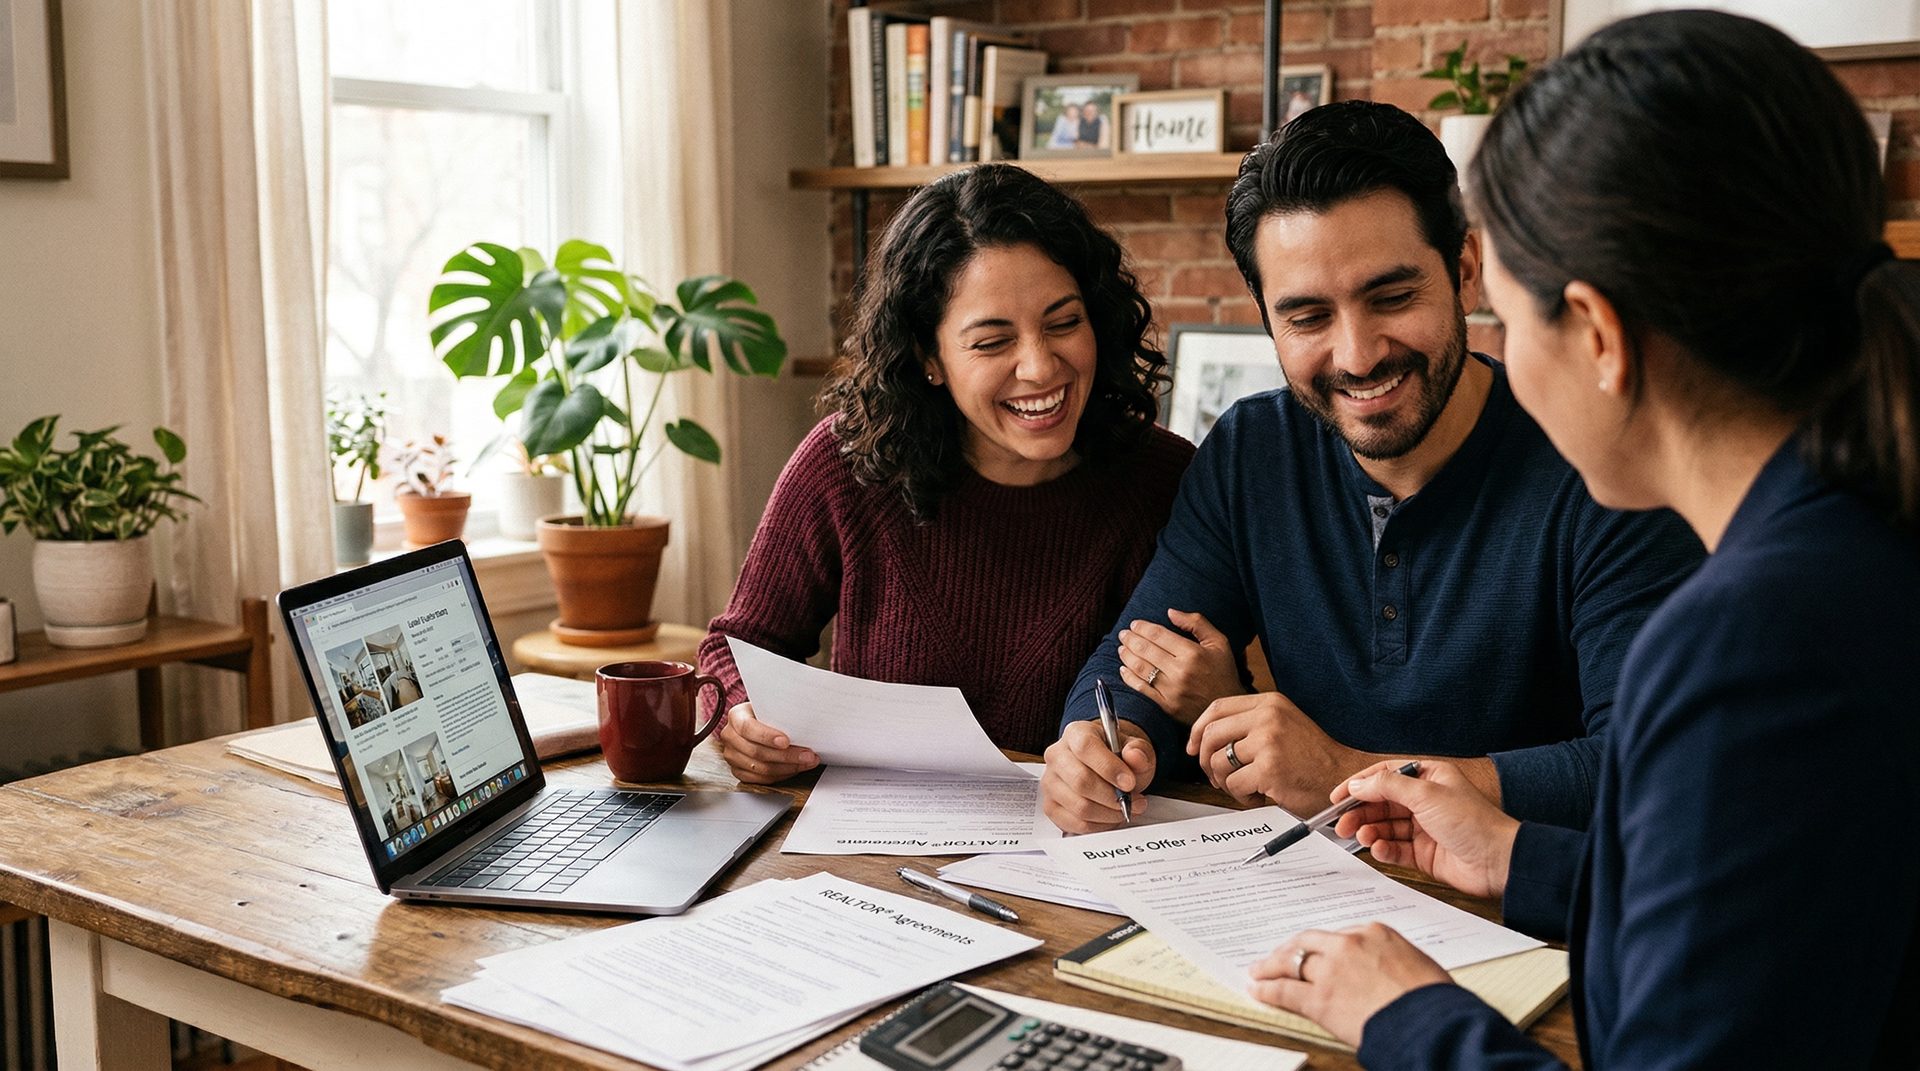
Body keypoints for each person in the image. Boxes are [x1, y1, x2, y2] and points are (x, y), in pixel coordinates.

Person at [1245, 13, 1920, 1067]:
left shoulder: (1747, 645)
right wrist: (1526, 862)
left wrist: (1407, 1015)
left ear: (1599, 336)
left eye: (1510, 323)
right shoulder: (1856, 540)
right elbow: (1784, 913)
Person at [1041, 101, 1704, 831]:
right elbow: (1137, 657)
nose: (1357, 356)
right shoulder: (1251, 450)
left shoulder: (1603, 463)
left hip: (1532, 890)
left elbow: (1644, 766)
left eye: (1391, 297)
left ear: (1465, 272)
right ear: (1267, 319)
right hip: (1306, 881)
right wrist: (1106, 747)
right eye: (1308, 318)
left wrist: (1346, 773)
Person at [700, 164, 1194, 783]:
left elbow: (1191, 710)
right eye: (992, 342)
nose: (1040, 367)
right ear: (928, 356)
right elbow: (737, 646)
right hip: (872, 833)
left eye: (1065, 323)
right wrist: (741, 718)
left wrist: (1137, 756)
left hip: (1088, 837)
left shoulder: (1165, 479)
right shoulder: (845, 463)